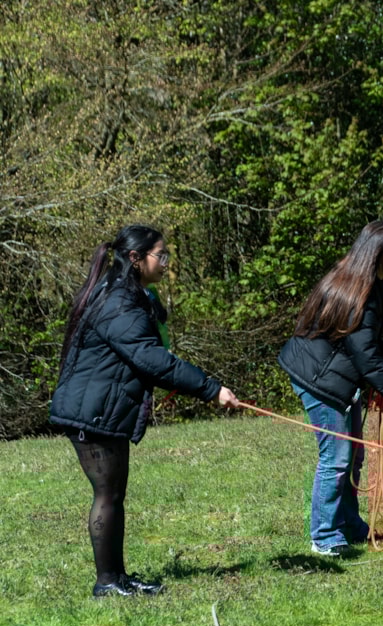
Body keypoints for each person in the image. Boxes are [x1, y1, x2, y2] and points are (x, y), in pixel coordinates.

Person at [50, 225, 240, 598]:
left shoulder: (126, 292)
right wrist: (211, 389)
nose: (166, 263)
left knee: (113, 494)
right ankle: (107, 582)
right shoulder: (118, 300)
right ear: (135, 258)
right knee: (107, 495)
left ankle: (117, 578)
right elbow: (150, 358)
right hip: (90, 411)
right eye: (160, 255)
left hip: (101, 407)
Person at [278, 220, 383, 557]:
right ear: (377, 253)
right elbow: (365, 357)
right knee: (337, 458)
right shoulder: (361, 292)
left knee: (354, 456)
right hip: (319, 379)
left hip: (336, 375)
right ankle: (325, 536)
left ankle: (348, 523)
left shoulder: (372, 284)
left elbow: (366, 340)